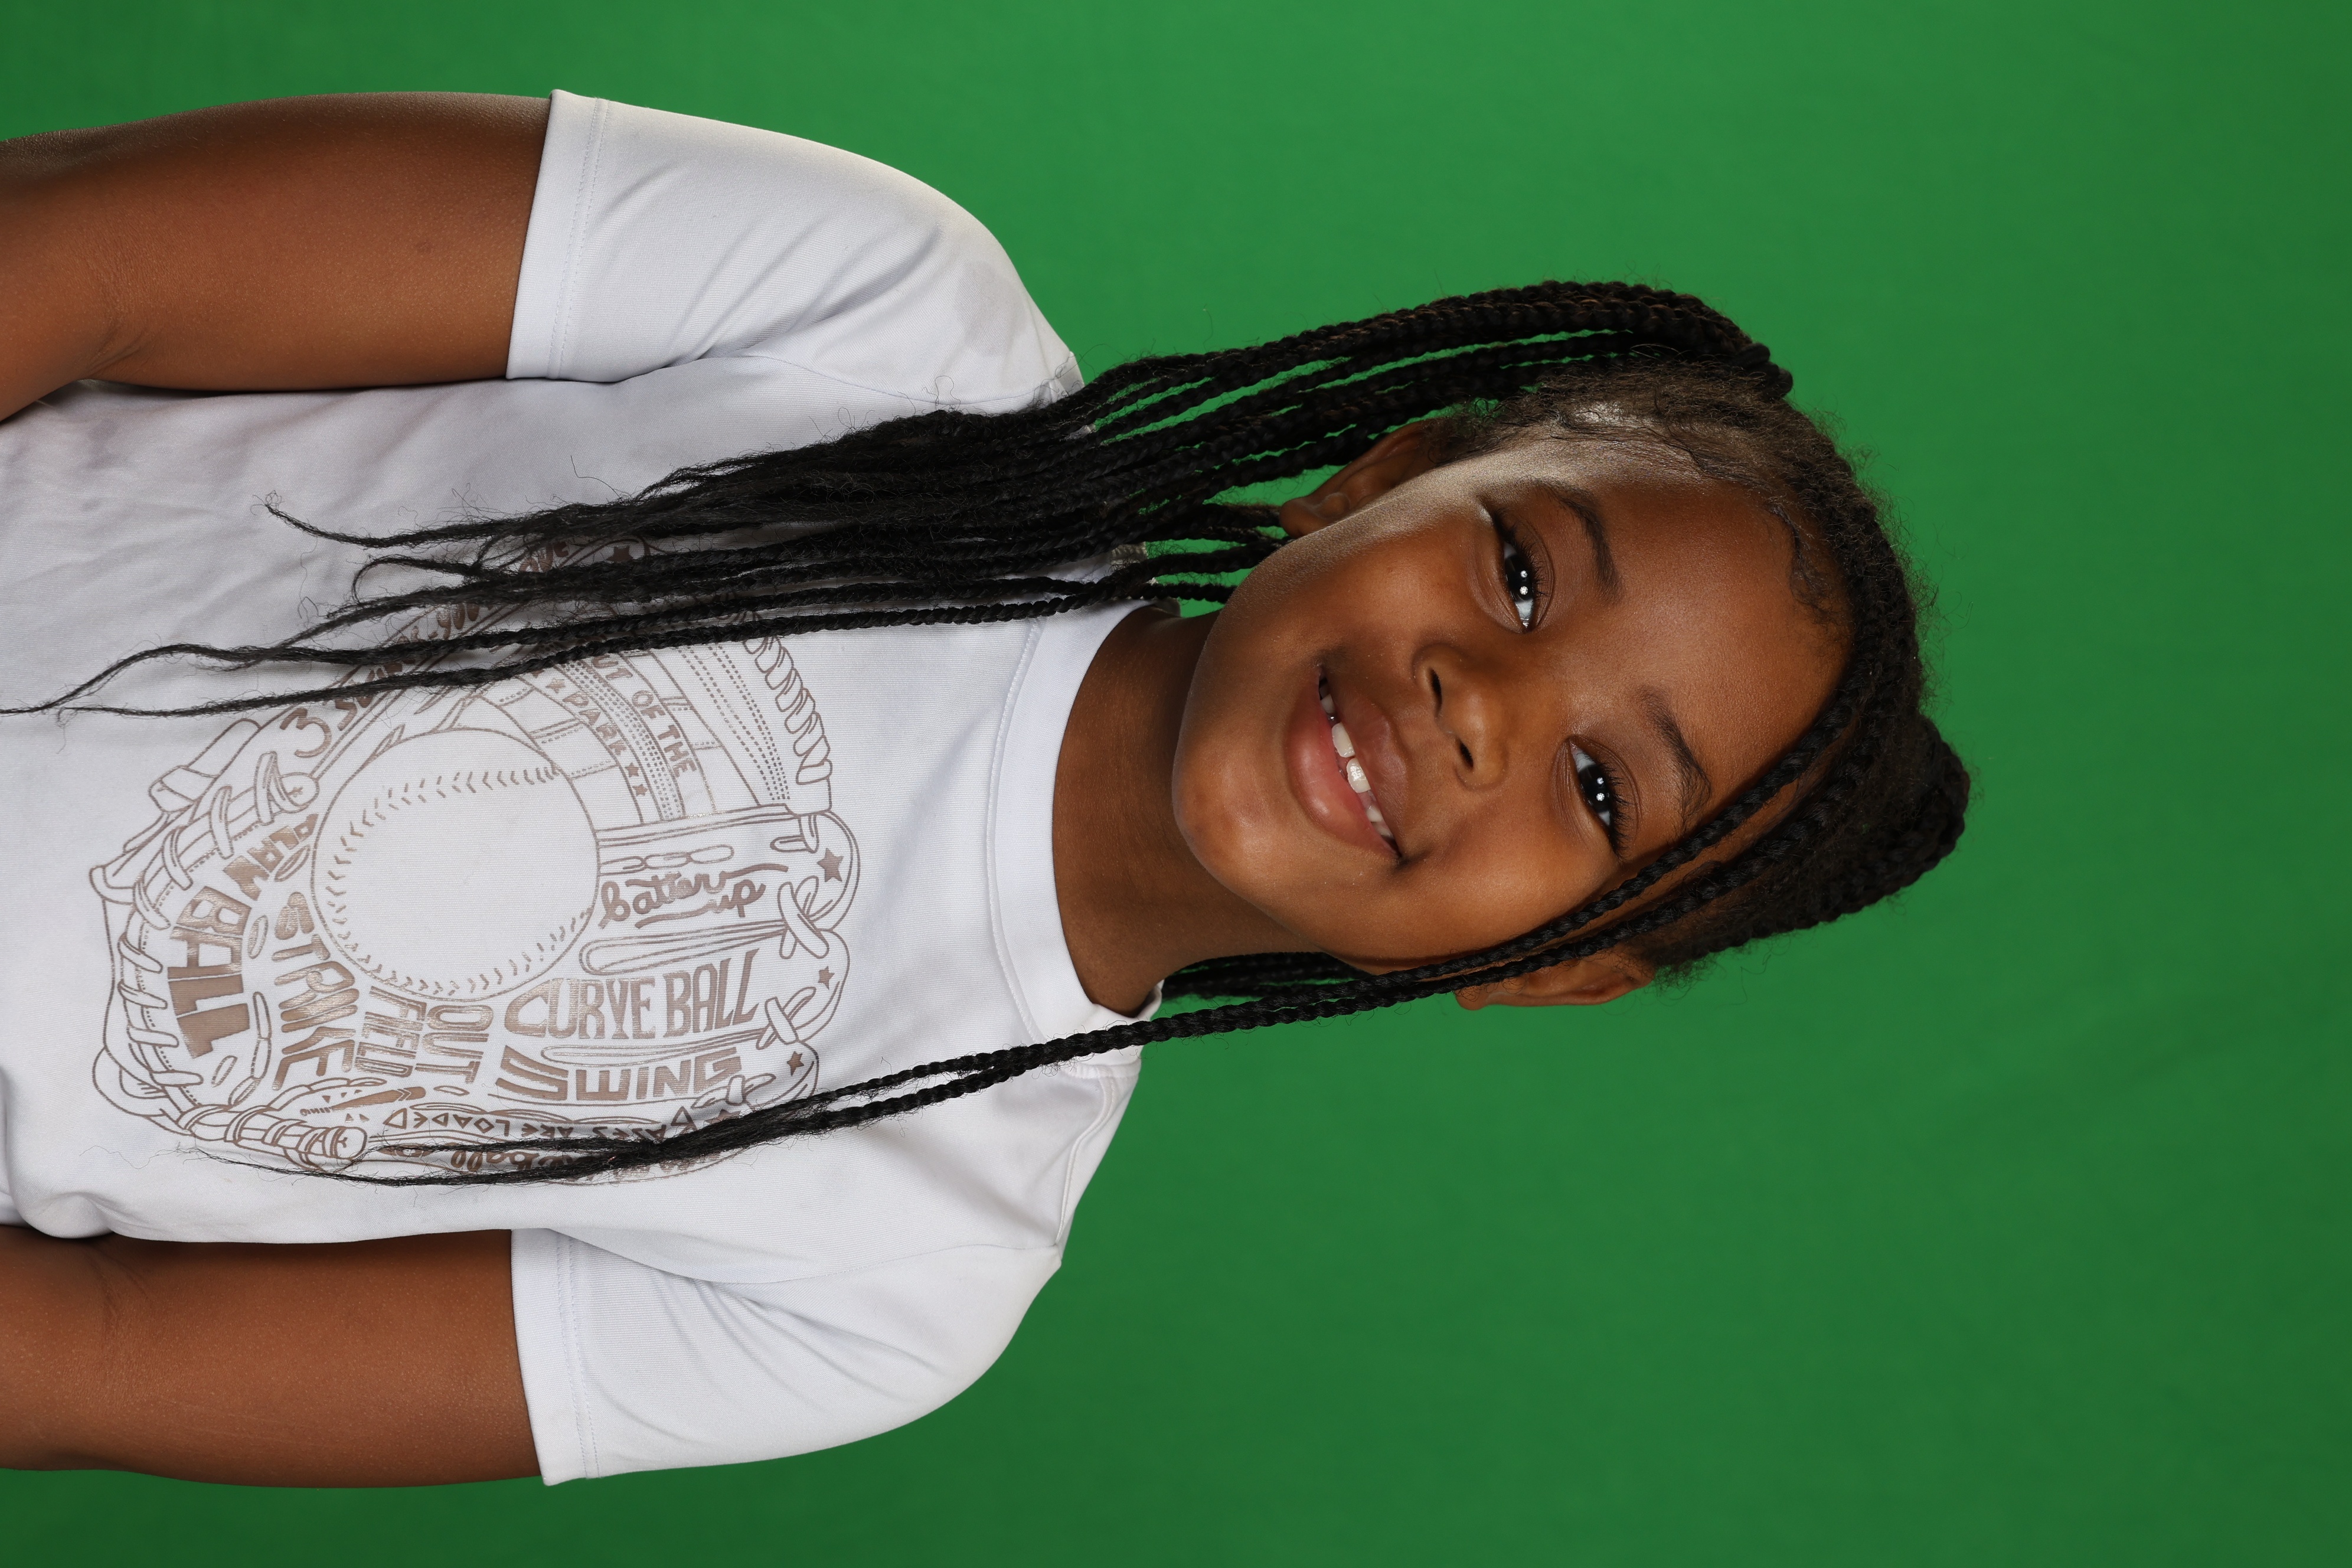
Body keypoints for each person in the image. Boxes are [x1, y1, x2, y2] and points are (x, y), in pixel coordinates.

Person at [0, 90, 1966, 1487]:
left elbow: (95, 1358)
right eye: (1522, 573)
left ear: (1558, 965)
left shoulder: (902, 1283)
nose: (1484, 712)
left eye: (1605, 793)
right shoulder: (882, 311)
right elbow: (82, 247)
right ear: (1378, 477)